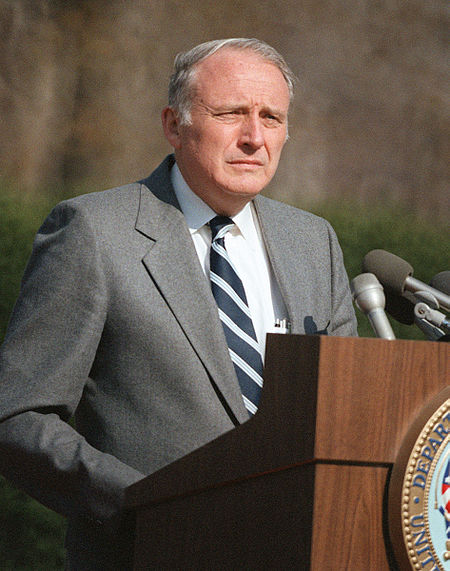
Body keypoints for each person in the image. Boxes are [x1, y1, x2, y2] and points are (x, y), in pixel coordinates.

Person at [0, 38, 357, 569]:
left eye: (272, 117)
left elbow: (346, 415)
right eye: (231, 113)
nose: (254, 137)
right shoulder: (93, 232)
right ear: (174, 124)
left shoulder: (314, 241)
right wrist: (143, 502)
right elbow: (18, 415)